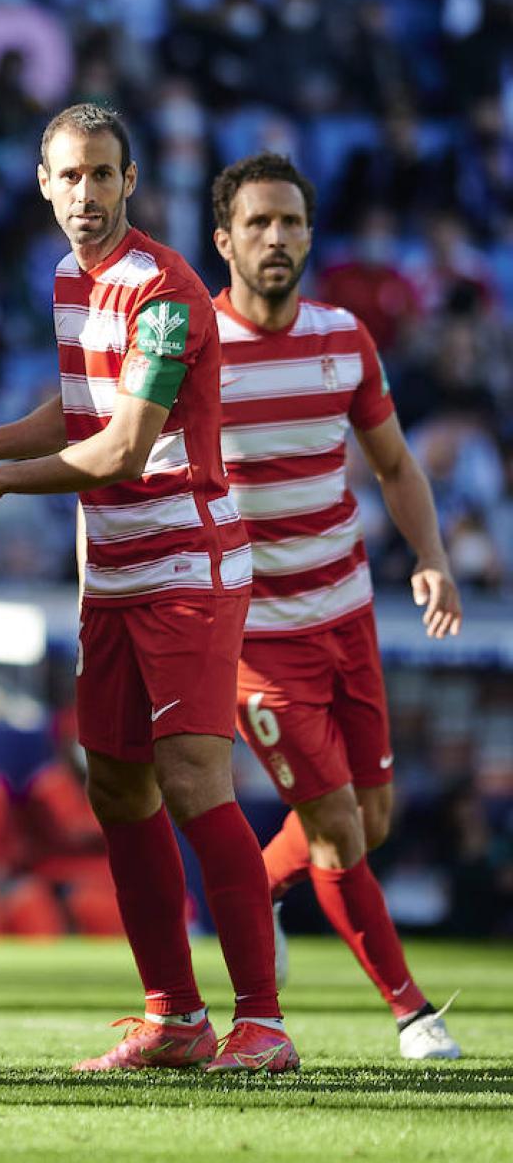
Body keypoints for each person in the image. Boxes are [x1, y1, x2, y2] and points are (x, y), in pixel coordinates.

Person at [0, 103, 293, 1073]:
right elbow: (85, 402)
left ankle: (263, 1020)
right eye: (68, 177)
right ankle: (174, 1016)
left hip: (187, 569)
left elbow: (126, 444)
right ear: (43, 184)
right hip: (115, 574)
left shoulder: (165, 289)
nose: (84, 195)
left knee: (190, 780)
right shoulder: (66, 281)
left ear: (130, 182)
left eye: (101, 176)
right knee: (118, 785)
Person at [208, 152, 462, 1060]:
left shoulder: (345, 338)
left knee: (371, 820)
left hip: (348, 615)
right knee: (340, 827)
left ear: (310, 237)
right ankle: (412, 1013)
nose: (275, 238)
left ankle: (261, 891)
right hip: (258, 640)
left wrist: (430, 558)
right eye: (258, 223)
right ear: (224, 240)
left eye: (290, 223)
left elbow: (394, 463)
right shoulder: (195, 346)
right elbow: (125, 458)